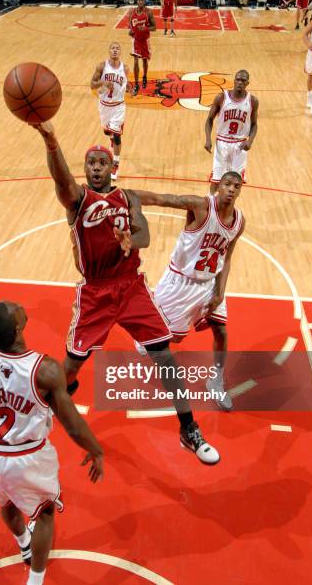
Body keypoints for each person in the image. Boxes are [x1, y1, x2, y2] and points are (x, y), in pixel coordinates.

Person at [32, 121, 220, 465]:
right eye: (91, 163)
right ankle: (53, 400)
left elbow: (145, 234)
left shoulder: (127, 197)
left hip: (132, 287)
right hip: (96, 293)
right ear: (85, 169)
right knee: (72, 365)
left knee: (164, 358)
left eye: (103, 163)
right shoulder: (77, 200)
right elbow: (61, 181)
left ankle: (188, 427)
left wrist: (132, 239)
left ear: (111, 167)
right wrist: (51, 140)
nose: (97, 168)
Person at [0, 302, 103, 585]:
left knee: (7, 502)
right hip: (25, 455)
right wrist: (96, 450)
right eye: (14, 308)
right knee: (46, 513)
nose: (17, 305)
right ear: (17, 329)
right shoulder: (46, 370)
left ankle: (23, 543)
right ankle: (35, 581)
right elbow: (73, 425)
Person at [134, 172, 245, 411]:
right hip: (180, 282)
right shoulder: (201, 206)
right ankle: (146, 327)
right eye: (227, 184)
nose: (231, 189)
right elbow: (163, 199)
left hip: (209, 284)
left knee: (221, 331)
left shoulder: (239, 221)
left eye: (236, 186)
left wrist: (220, 292)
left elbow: (227, 258)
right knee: (169, 337)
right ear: (218, 185)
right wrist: (126, 196)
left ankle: (215, 381)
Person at [205, 70, 259, 194]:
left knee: (236, 182)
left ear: (247, 83)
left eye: (243, 80)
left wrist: (250, 141)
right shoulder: (222, 97)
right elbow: (209, 120)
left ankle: (229, 207)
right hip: (222, 142)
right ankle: (210, 202)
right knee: (216, 180)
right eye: (238, 79)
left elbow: (254, 124)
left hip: (240, 144)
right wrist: (208, 139)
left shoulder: (252, 101)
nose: (240, 82)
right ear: (234, 80)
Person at [90, 42, 131, 181]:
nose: (115, 50)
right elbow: (92, 84)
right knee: (107, 132)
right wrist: (102, 83)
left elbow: (126, 83)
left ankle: (115, 164)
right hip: (104, 106)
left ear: (120, 52)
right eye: (113, 48)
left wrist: (130, 88)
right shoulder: (102, 66)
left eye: (117, 48)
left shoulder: (125, 68)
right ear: (109, 51)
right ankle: (112, 136)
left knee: (117, 135)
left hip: (118, 106)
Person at [128, 0, 156, 95]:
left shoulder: (148, 12)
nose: (140, 2)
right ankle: (136, 85)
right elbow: (130, 24)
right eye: (138, 0)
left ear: (144, 2)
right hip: (135, 40)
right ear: (137, 1)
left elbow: (155, 27)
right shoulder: (131, 12)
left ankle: (144, 76)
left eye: (142, 0)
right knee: (135, 62)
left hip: (145, 40)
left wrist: (145, 28)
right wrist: (130, 30)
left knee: (144, 61)